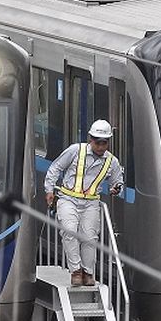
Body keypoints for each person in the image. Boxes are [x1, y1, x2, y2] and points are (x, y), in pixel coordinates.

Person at [44, 120, 125, 286]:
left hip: (91, 203)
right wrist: (49, 190)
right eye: (97, 142)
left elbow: (117, 182)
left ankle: (88, 273)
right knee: (69, 231)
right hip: (68, 198)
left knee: (89, 238)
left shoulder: (112, 162)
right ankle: (75, 271)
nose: (101, 147)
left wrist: (116, 188)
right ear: (90, 139)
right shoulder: (75, 150)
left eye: (104, 143)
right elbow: (55, 168)